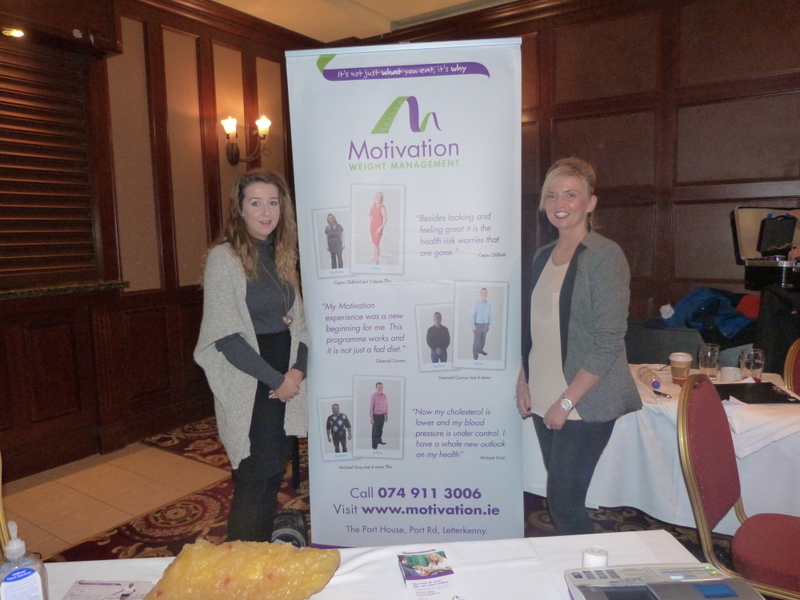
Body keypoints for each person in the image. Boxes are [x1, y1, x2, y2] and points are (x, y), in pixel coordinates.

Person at [516, 157, 640, 535]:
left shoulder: (604, 256)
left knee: (564, 505)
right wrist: (522, 382)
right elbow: (531, 329)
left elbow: (609, 340)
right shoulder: (542, 256)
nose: (560, 203)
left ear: (590, 203)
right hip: (542, 396)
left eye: (571, 195)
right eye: (552, 195)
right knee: (561, 498)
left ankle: (592, 571)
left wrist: (567, 401)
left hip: (583, 401)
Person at [194, 171, 308, 543]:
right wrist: (277, 380)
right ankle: (241, 563)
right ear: (240, 209)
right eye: (255, 203)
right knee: (253, 475)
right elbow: (226, 337)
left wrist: (297, 372)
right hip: (252, 379)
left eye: (273, 202)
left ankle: (258, 560)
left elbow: (300, 325)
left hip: (284, 374)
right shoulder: (223, 259)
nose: (265, 211)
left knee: (273, 471)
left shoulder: (282, 255)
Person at [471, 288, 491, 360]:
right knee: (476, 340)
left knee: (483, 339)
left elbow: (489, 315)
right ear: (480, 294)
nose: (484, 294)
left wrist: (489, 325)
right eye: (483, 293)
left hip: (485, 324)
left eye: (485, 293)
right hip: (478, 324)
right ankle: (475, 354)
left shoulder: (488, 304)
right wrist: (473, 326)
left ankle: (480, 350)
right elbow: (472, 315)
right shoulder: (476, 303)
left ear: (487, 294)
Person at [369, 191, 387, 264]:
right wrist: (371, 221)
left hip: (378, 228)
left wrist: (380, 228)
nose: (378, 199)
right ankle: (374, 257)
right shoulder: (372, 207)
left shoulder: (382, 208)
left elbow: (385, 219)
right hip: (372, 227)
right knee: (374, 243)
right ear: (375, 197)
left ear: (381, 199)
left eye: (380, 198)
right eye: (377, 197)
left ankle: (377, 259)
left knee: (376, 244)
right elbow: (369, 214)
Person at [369, 382, 388, 449]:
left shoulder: (384, 396)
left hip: (382, 416)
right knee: (375, 431)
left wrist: (387, 415)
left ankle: (379, 440)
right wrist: (371, 418)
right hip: (376, 416)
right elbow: (371, 407)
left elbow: (386, 406)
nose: (380, 388)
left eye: (381, 387)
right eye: (379, 387)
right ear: (376, 388)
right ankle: (374, 446)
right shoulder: (373, 396)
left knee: (380, 429)